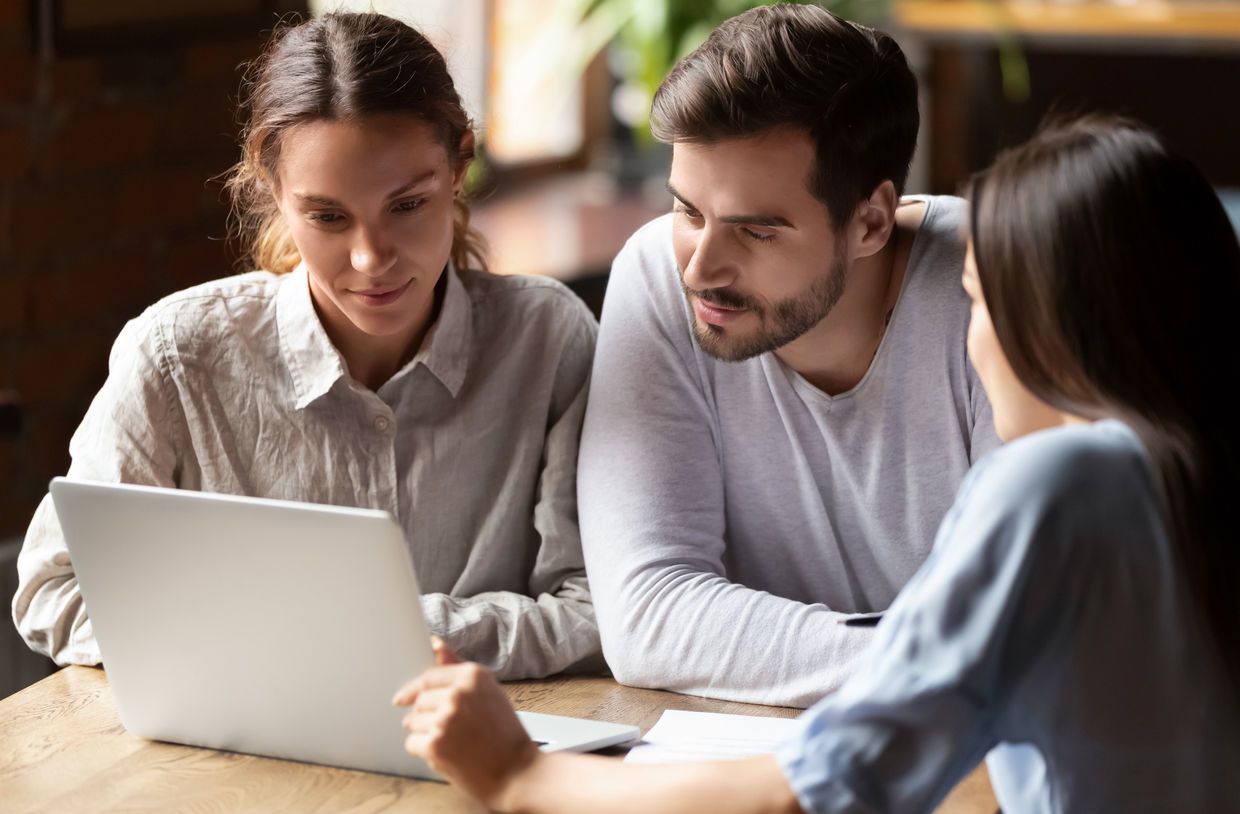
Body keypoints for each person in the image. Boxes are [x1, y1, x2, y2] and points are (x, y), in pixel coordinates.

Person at [393, 115, 1240, 812]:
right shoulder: (1181, 479)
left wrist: (519, 774)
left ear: (1055, 328)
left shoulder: (1058, 485)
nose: (970, 342)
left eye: (977, 301)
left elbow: (818, 789)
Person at [12, 12, 602, 680]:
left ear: (460, 163)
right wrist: (310, 645)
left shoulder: (548, 341)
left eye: (407, 205)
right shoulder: (176, 356)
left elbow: (599, 605)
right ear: (273, 193)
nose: (371, 257)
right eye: (328, 217)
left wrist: (375, 634)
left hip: (497, 752)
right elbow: (54, 590)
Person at [578, 4, 998, 707]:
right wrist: (934, 663)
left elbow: (1024, 636)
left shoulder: (994, 288)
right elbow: (647, 616)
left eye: (756, 232)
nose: (700, 268)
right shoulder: (657, 274)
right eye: (687, 211)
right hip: (743, 748)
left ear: (869, 221)